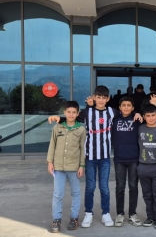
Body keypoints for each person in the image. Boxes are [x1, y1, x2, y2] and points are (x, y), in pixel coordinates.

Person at [47, 86, 141, 229]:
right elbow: (71, 117)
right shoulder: (87, 112)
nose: (101, 100)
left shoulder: (112, 112)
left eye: (104, 97)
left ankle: (106, 213)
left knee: (104, 187)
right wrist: (59, 118)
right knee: (90, 186)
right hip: (90, 157)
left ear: (108, 99)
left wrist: (137, 113)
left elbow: (126, 112)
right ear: (94, 97)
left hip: (105, 157)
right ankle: (88, 213)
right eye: (99, 97)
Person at [47, 101, 86, 233]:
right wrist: (50, 162)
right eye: (68, 112)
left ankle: (74, 218)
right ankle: (56, 219)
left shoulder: (81, 130)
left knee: (75, 193)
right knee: (58, 194)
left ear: (78, 114)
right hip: (59, 167)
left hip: (74, 167)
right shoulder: (57, 128)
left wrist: (81, 165)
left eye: (74, 112)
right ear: (64, 112)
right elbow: (52, 145)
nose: (71, 114)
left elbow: (82, 149)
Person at [111, 96, 142, 227]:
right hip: (119, 159)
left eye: (129, 105)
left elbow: (151, 120)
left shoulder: (137, 120)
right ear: (119, 107)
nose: (126, 107)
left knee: (133, 186)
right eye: (123, 105)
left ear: (133, 108)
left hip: (134, 158)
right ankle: (120, 213)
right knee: (120, 187)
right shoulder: (114, 120)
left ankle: (133, 213)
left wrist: (139, 114)